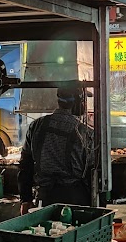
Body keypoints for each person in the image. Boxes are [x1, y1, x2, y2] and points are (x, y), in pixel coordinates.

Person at [19, 82, 94, 214]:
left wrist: (25, 199)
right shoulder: (84, 133)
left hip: (44, 199)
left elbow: (25, 165)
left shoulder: (36, 126)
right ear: (78, 103)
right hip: (75, 201)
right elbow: (91, 171)